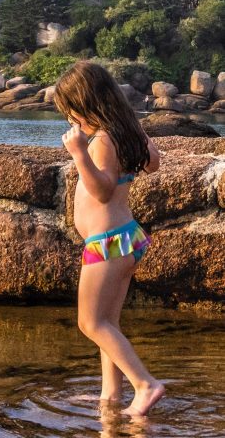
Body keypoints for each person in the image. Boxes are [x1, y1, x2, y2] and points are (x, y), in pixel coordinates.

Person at [54, 61, 164, 416]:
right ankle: (111, 395)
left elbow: (101, 192)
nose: (71, 120)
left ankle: (145, 384)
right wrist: (138, 137)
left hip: (107, 242)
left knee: (91, 322)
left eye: (71, 112)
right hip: (128, 237)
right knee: (108, 324)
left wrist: (79, 154)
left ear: (86, 103)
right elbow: (153, 163)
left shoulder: (101, 140)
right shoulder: (125, 131)